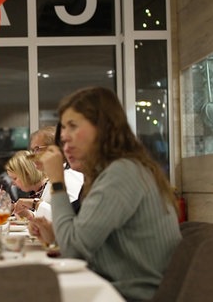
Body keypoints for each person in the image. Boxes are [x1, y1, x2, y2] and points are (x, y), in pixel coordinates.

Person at [29, 86, 181, 301]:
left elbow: (74, 250)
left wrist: (57, 182)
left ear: (104, 128)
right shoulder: (110, 172)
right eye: (63, 130)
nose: (64, 138)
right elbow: (85, 240)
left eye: (73, 127)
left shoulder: (122, 172)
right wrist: (56, 234)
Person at [14, 126, 83, 221]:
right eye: (32, 150)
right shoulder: (56, 175)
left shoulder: (69, 177)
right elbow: (53, 213)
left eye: (37, 149)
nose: (32, 155)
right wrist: (31, 215)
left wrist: (35, 204)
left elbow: (68, 219)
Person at [5, 150, 48, 218]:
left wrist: (33, 204)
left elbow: (55, 220)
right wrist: (26, 214)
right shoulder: (36, 192)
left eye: (15, 178)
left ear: (27, 174)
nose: (13, 183)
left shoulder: (52, 188)